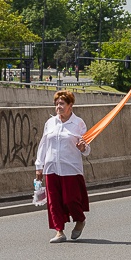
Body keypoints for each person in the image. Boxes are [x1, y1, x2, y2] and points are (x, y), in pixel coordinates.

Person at [35, 90, 91, 243]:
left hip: (70, 168)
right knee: (54, 201)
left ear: (70, 106)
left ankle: (80, 220)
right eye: (57, 104)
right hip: (52, 167)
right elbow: (44, 145)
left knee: (71, 199)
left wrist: (83, 148)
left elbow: (86, 148)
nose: (58, 106)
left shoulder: (78, 123)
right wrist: (39, 165)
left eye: (62, 104)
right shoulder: (50, 123)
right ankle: (59, 231)